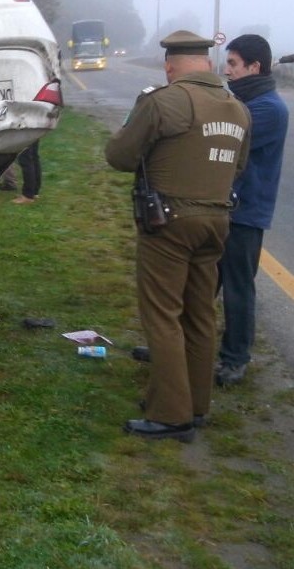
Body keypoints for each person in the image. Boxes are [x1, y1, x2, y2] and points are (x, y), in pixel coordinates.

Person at [105, 30, 251, 442]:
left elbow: (118, 155)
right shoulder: (237, 108)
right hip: (217, 221)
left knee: (162, 314)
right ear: (206, 63)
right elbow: (239, 165)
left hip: (169, 222)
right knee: (200, 314)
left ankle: (171, 414)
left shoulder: (164, 101)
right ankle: (196, 404)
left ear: (170, 66)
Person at [216, 35, 289, 386]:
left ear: (253, 67)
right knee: (200, 284)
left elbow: (223, 139)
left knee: (238, 289)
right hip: (221, 208)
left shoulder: (268, 109)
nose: (225, 69)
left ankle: (235, 359)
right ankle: (183, 345)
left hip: (245, 214)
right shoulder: (243, 101)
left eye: (232, 63)